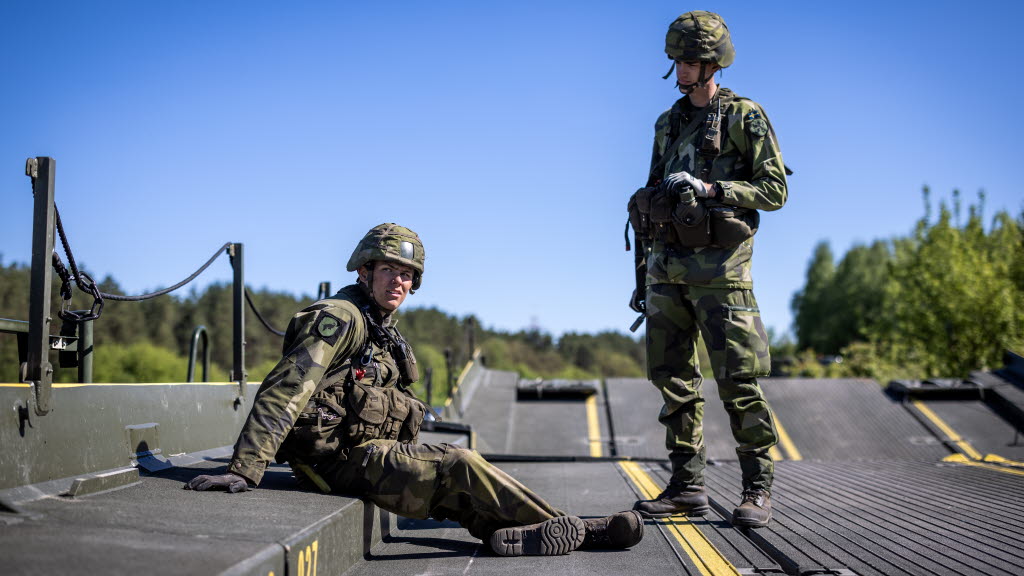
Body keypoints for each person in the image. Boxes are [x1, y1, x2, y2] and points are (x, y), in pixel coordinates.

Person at [185, 223, 643, 555]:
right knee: (456, 463)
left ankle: (512, 532)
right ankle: (579, 529)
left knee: (453, 485)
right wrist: (245, 469)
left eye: (406, 275)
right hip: (334, 462)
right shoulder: (341, 317)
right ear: (365, 271)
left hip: (363, 453)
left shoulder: (382, 329)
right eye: (388, 270)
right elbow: (287, 387)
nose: (398, 281)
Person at [626, 11, 787, 528]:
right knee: (672, 380)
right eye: (676, 59)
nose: (681, 69)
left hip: (723, 274)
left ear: (713, 63)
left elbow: (775, 190)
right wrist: (644, 271)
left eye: (690, 60)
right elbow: (656, 196)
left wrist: (716, 191)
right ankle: (686, 486)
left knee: (740, 382)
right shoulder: (667, 122)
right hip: (667, 272)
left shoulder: (745, 116)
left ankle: (757, 489)